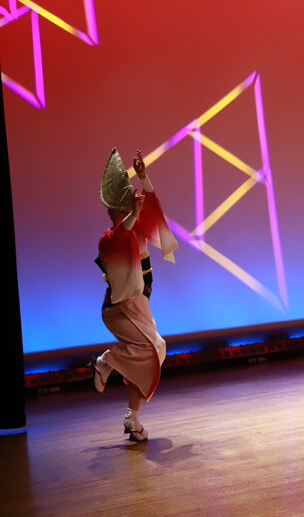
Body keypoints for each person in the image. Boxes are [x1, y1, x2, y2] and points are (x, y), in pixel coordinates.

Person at [91, 149, 178, 442]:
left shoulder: (135, 225)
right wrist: (134, 213)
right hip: (119, 309)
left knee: (149, 354)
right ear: (116, 208)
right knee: (152, 348)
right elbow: (122, 232)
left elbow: (153, 207)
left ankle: (133, 418)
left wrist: (143, 177)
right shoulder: (109, 239)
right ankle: (106, 360)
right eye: (128, 195)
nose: (133, 196)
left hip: (137, 304)